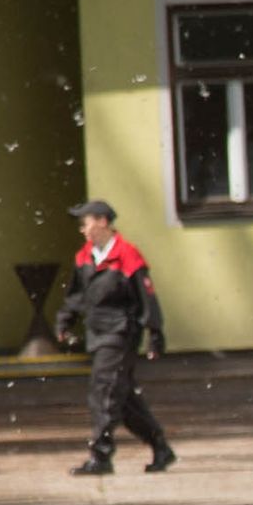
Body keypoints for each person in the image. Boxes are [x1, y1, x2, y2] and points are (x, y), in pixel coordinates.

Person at [59, 198, 174, 475]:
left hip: (121, 333)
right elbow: (76, 295)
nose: (82, 230)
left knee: (104, 391)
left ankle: (101, 455)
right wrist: (65, 321)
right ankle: (160, 447)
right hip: (97, 332)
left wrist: (154, 333)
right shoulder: (85, 256)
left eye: (85, 224)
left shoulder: (127, 255)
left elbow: (147, 298)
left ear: (102, 222)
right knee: (122, 397)